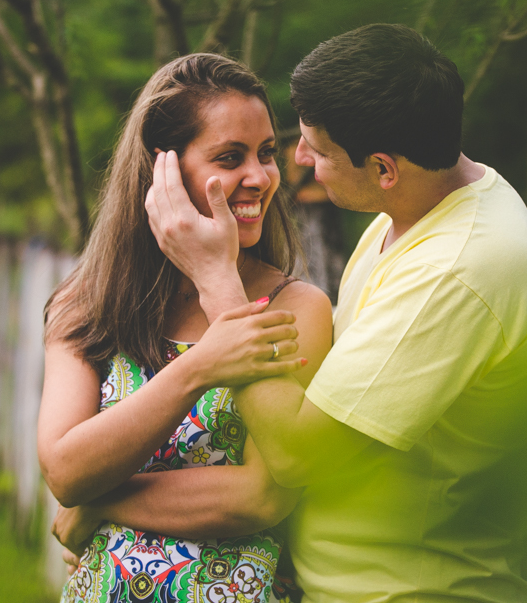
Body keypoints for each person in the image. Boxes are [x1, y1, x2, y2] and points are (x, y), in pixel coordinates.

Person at [147, 24, 527, 602]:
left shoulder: (453, 271)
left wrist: (216, 280)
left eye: (318, 148)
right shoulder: (417, 210)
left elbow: (294, 454)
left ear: (385, 168)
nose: (298, 158)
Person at [37, 53, 333, 603]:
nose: (259, 177)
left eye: (266, 154)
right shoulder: (88, 306)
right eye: (229, 156)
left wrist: (102, 503)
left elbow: (262, 496)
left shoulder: (296, 308)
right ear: (163, 172)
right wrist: (200, 367)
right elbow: (66, 470)